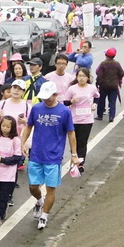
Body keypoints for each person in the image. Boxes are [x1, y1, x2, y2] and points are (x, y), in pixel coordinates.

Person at [21, 80, 79, 230]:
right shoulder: (36, 108)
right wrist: (23, 143)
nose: (45, 99)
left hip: (54, 156)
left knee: (51, 188)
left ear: (56, 94)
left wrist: (74, 154)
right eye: (43, 97)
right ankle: (39, 200)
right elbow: (28, 126)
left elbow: (71, 133)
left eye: (48, 96)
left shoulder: (64, 111)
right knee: (33, 186)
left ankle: (44, 216)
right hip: (36, 154)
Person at [0, 117, 24, 226]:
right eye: (3, 126)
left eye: (8, 127)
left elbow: (17, 158)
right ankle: (3, 207)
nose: (5, 128)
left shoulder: (15, 140)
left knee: (4, 195)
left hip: (8, 174)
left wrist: (3, 160)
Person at [69, 66, 97, 168]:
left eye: (84, 76)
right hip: (74, 119)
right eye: (79, 76)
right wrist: (72, 101)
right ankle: (74, 159)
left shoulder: (92, 88)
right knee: (74, 142)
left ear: (88, 78)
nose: (81, 78)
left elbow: (97, 96)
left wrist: (94, 104)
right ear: (76, 77)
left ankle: (80, 164)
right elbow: (65, 102)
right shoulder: (72, 88)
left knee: (83, 142)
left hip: (87, 119)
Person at [95, 47, 123, 120]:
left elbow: (98, 72)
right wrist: (118, 80)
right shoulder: (117, 64)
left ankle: (100, 115)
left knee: (101, 100)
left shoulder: (103, 63)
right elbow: (122, 73)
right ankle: (111, 116)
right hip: (114, 86)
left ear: (106, 55)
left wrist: (97, 84)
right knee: (112, 102)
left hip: (103, 85)